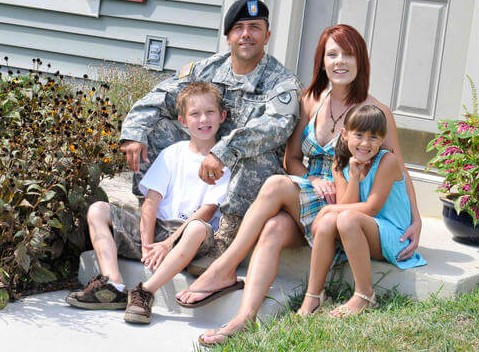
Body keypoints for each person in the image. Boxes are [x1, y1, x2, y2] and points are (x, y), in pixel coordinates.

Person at [175, 24, 423, 346]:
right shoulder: (310, 101)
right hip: (311, 193)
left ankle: (225, 265)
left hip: (346, 205)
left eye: (347, 54)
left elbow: (400, 172)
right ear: (321, 61)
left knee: (277, 185)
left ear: (360, 60)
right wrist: (312, 180)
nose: (340, 62)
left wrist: (416, 219)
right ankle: (243, 319)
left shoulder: (376, 113)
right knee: (274, 228)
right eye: (332, 54)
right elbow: (291, 159)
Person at [120, 0, 300, 271]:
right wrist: (134, 132)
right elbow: (161, 96)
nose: (246, 35)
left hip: (242, 172)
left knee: (259, 158)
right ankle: (153, 218)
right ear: (228, 37)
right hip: (203, 158)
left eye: (255, 27)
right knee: (156, 129)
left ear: (267, 36)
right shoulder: (207, 70)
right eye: (238, 28)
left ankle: (224, 241)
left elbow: (276, 127)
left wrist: (224, 151)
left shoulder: (281, 81)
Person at [66, 82, 237, 323]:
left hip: (191, 237)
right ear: (183, 121)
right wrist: (147, 246)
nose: (203, 119)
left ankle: (145, 291)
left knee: (197, 227)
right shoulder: (173, 154)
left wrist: (168, 244)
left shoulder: (222, 162)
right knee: (98, 209)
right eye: (195, 114)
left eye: (210, 112)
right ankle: (113, 285)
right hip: (157, 231)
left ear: (222, 116)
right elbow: (151, 202)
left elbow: (207, 212)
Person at [298, 104, 426, 318]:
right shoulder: (340, 164)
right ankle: (314, 294)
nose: (366, 143)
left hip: (395, 237)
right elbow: (348, 204)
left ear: (383, 139)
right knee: (333, 220)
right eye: (359, 135)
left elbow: (371, 208)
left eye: (374, 137)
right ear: (345, 135)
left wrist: (328, 209)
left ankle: (365, 295)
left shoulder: (388, 161)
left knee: (343, 217)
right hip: (365, 232)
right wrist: (354, 177)